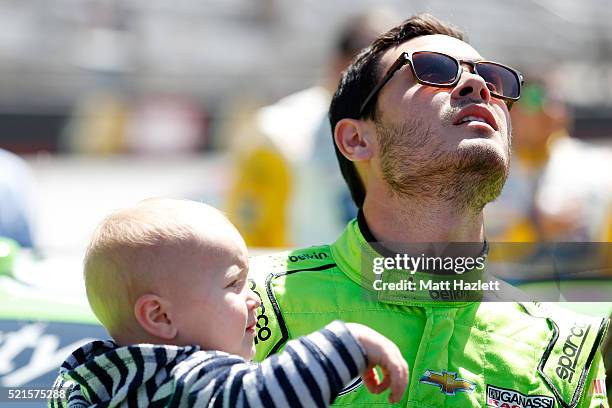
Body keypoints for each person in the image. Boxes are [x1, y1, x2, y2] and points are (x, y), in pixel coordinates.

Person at [250, 14, 610, 407]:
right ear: (356, 139)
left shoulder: (567, 351)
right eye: (433, 71)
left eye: (494, 80)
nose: (478, 86)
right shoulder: (252, 306)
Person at [49, 199, 408, 407]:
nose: (253, 297)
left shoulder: (104, 380)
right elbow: (259, 394)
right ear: (160, 316)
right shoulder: (184, 380)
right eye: (233, 284)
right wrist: (348, 344)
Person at [226, 10, 395, 248]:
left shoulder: (401, 132)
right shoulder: (276, 131)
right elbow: (247, 232)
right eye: (372, 61)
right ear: (338, 64)